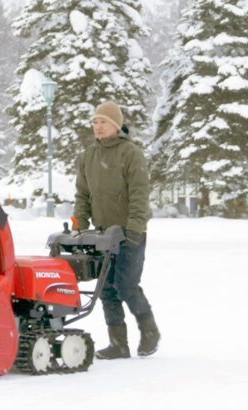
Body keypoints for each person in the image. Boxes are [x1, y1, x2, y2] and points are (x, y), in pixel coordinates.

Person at [73, 101, 160, 359]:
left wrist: (134, 228)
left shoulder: (130, 153)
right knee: (107, 289)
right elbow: (83, 194)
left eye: (103, 122)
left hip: (130, 232)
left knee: (127, 285)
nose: (98, 127)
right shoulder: (88, 155)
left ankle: (150, 330)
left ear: (116, 125)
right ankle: (118, 344)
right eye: (95, 122)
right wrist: (80, 223)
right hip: (102, 236)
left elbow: (139, 194)